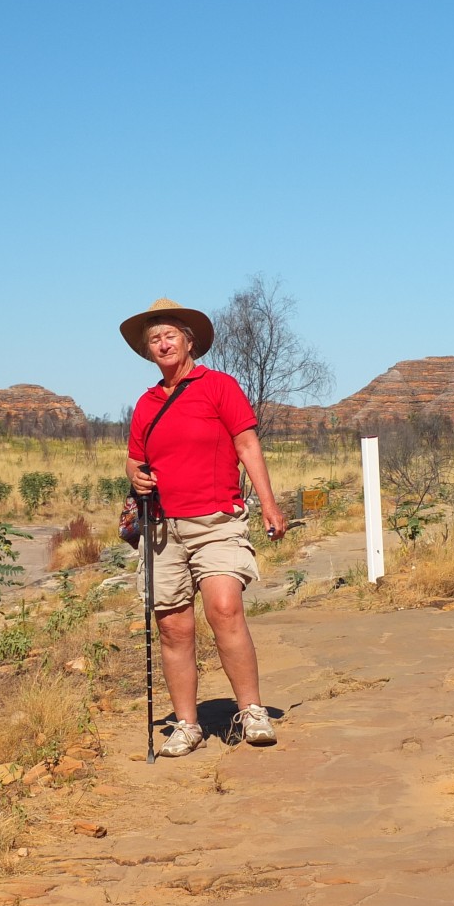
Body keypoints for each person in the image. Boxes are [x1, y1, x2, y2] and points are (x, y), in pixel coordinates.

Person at [121, 297, 289, 757]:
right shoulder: (147, 403)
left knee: (224, 608)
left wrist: (269, 505)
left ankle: (251, 711)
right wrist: (136, 475)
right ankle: (187, 725)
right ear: (148, 350)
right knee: (173, 628)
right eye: (154, 339)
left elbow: (247, 444)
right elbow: (135, 460)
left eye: (170, 335)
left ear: (189, 341)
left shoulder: (219, 387)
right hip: (162, 529)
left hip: (216, 521)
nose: (162, 344)